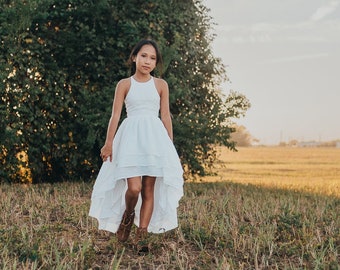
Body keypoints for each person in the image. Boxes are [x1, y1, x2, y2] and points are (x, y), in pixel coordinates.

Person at [89, 39, 184, 254]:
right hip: (131, 138)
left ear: (156, 62)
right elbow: (115, 115)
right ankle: (128, 215)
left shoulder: (161, 85)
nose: (147, 61)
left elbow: (166, 115)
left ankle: (141, 235)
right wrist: (109, 142)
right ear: (134, 57)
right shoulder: (124, 84)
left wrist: (169, 147)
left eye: (152, 58)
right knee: (134, 188)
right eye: (143, 56)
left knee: (149, 189)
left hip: (154, 139)